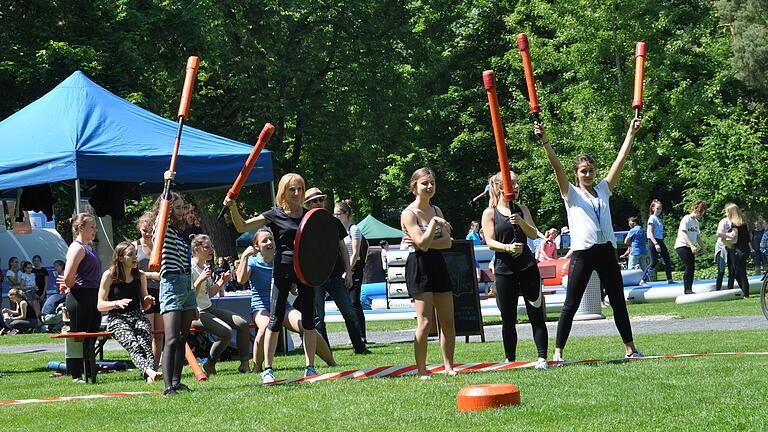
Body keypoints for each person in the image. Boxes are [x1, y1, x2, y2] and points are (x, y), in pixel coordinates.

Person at [537, 118, 644, 361]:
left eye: (591, 170)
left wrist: (630, 133)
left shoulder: (604, 189)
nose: (588, 174)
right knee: (571, 304)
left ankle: (630, 349)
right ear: (576, 174)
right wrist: (545, 142)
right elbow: (557, 168)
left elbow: (620, 161)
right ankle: (557, 353)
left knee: (618, 301)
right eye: (583, 171)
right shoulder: (571, 193)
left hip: (606, 251)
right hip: (583, 253)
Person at [225, 173, 345, 383]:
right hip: (282, 271)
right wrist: (233, 207)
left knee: (309, 322)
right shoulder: (275, 214)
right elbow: (242, 226)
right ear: (283, 191)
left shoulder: (310, 216)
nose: (297, 193)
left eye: (300, 188)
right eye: (292, 189)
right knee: (275, 319)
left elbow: (323, 245)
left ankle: (310, 367)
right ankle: (268, 369)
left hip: (306, 273)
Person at [237, 228, 338, 373]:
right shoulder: (252, 262)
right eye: (264, 240)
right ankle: (257, 367)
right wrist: (244, 257)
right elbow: (241, 280)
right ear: (257, 246)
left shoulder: (282, 261)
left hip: (283, 306)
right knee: (265, 327)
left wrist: (294, 289)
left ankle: (332, 362)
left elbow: (290, 286)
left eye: (271, 239)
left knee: (307, 326)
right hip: (261, 307)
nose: (269, 242)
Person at [481, 171, 548, 369]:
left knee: (536, 313)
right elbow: (490, 242)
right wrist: (507, 248)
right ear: (501, 187)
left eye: (518, 184)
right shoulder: (490, 213)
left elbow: (534, 234)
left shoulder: (522, 209)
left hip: (527, 267)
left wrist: (521, 222)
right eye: (513, 184)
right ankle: (510, 359)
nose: (516, 188)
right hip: (504, 269)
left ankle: (542, 358)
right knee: (508, 317)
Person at [400, 167, 456, 378]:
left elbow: (447, 243)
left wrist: (428, 239)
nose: (429, 187)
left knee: (447, 320)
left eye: (432, 183)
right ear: (415, 186)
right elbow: (421, 246)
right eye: (425, 183)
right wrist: (433, 224)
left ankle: (449, 366)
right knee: (425, 321)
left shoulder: (437, 210)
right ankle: (422, 370)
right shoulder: (409, 213)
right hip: (419, 266)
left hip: (438, 265)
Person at [304, 189, 368, 354]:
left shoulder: (333, 222)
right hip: (314, 278)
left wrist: (348, 271)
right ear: (308, 204)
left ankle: (360, 348)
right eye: (314, 201)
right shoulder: (302, 223)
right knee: (319, 318)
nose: (318, 203)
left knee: (350, 312)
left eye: (321, 200)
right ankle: (326, 352)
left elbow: (343, 248)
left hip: (335, 275)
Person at [152, 172, 198, 396]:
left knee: (182, 336)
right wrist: (167, 183)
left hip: (186, 283)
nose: (181, 211)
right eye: (177, 207)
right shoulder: (161, 231)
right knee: (170, 338)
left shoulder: (180, 235)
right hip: (171, 281)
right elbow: (163, 209)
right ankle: (168, 386)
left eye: (182, 208)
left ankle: (177, 381)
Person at [97, 242, 161, 383]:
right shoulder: (109, 275)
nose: (135, 258)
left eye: (135, 254)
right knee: (133, 344)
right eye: (130, 255)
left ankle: (150, 376)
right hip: (117, 318)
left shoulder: (140, 275)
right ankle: (150, 372)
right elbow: (100, 305)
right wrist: (116, 303)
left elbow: (144, 306)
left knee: (145, 344)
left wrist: (147, 301)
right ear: (120, 258)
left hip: (137, 316)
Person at [189, 234, 251, 375]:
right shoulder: (190, 268)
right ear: (197, 249)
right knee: (226, 332)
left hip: (209, 308)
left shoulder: (205, 266)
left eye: (212, 247)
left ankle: (244, 364)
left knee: (243, 324)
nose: (211, 250)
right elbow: (190, 295)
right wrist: (200, 280)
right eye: (207, 247)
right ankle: (210, 364)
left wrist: (222, 281)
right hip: (195, 312)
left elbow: (208, 293)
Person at [57, 213, 102, 383]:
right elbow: (68, 277)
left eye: (95, 227)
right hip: (79, 297)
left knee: (92, 335)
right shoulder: (77, 247)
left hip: (93, 296)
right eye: (92, 227)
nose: (95, 230)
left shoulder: (89, 247)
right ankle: (76, 374)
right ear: (80, 228)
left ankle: (90, 372)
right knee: (78, 336)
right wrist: (70, 285)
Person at [334, 199, 370, 345]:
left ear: (346, 214)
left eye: (338, 214)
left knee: (354, 302)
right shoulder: (336, 229)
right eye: (334, 214)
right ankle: (354, 336)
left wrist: (348, 270)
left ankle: (361, 336)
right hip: (342, 269)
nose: (336, 217)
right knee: (347, 304)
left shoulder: (353, 229)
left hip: (354, 268)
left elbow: (355, 253)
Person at [135, 212, 163, 370]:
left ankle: (155, 365)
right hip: (144, 292)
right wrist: (151, 275)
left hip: (161, 292)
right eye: (145, 230)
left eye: (151, 230)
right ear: (140, 228)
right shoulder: (134, 246)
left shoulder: (160, 246)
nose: (148, 234)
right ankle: (146, 365)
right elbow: (131, 271)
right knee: (147, 332)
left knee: (159, 334)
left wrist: (150, 274)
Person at [674, 200, 709, 295]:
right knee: (689, 267)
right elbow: (683, 232)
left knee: (692, 267)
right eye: (701, 212)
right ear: (696, 210)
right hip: (682, 245)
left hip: (689, 247)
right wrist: (691, 245)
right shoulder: (686, 219)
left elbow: (697, 237)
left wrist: (704, 248)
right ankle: (687, 290)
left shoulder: (696, 222)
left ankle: (689, 289)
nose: (701, 215)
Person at [719, 203, 751, 298]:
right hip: (745, 249)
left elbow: (734, 239)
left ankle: (745, 293)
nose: (725, 214)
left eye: (726, 212)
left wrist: (723, 237)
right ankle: (745, 293)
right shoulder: (743, 223)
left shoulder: (734, 224)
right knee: (741, 272)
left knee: (739, 273)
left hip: (739, 250)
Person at [640, 200, 674, 286]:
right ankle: (642, 280)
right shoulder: (652, 218)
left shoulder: (658, 219)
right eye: (657, 208)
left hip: (660, 240)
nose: (659, 210)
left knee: (667, 260)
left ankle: (669, 279)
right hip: (653, 241)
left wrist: (659, 242)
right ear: (653, 208)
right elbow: (650, 233)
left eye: (660, 209)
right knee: (653, 262)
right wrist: (656, 244)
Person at [714, 209, 735, 291]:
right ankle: (718, 289)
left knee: (732, 269)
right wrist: (729, 235)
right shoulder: (724, 221)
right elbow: (718, 234)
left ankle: (730, 288)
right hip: (721, 247)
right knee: (721, 270)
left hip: (731, 247)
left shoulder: (735, 222)